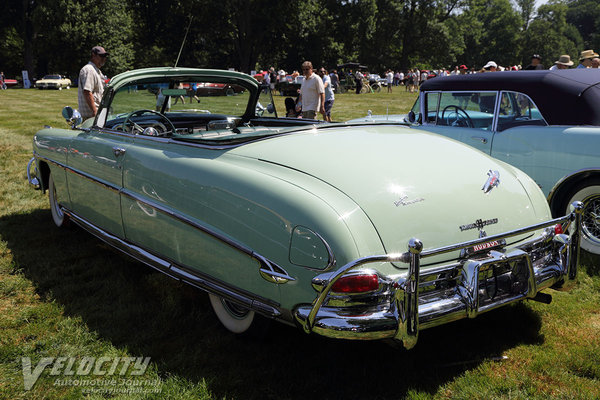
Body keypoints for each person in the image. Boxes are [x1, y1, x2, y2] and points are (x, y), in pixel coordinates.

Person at [78, 46, 108, 121]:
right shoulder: (89, 70)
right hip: (91, 116)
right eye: (101, 56)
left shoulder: (96, 71)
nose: (104, 58)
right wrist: (94, 111)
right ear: (93, 55)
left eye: (105, 56)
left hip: (94, 115)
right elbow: (87, 92)